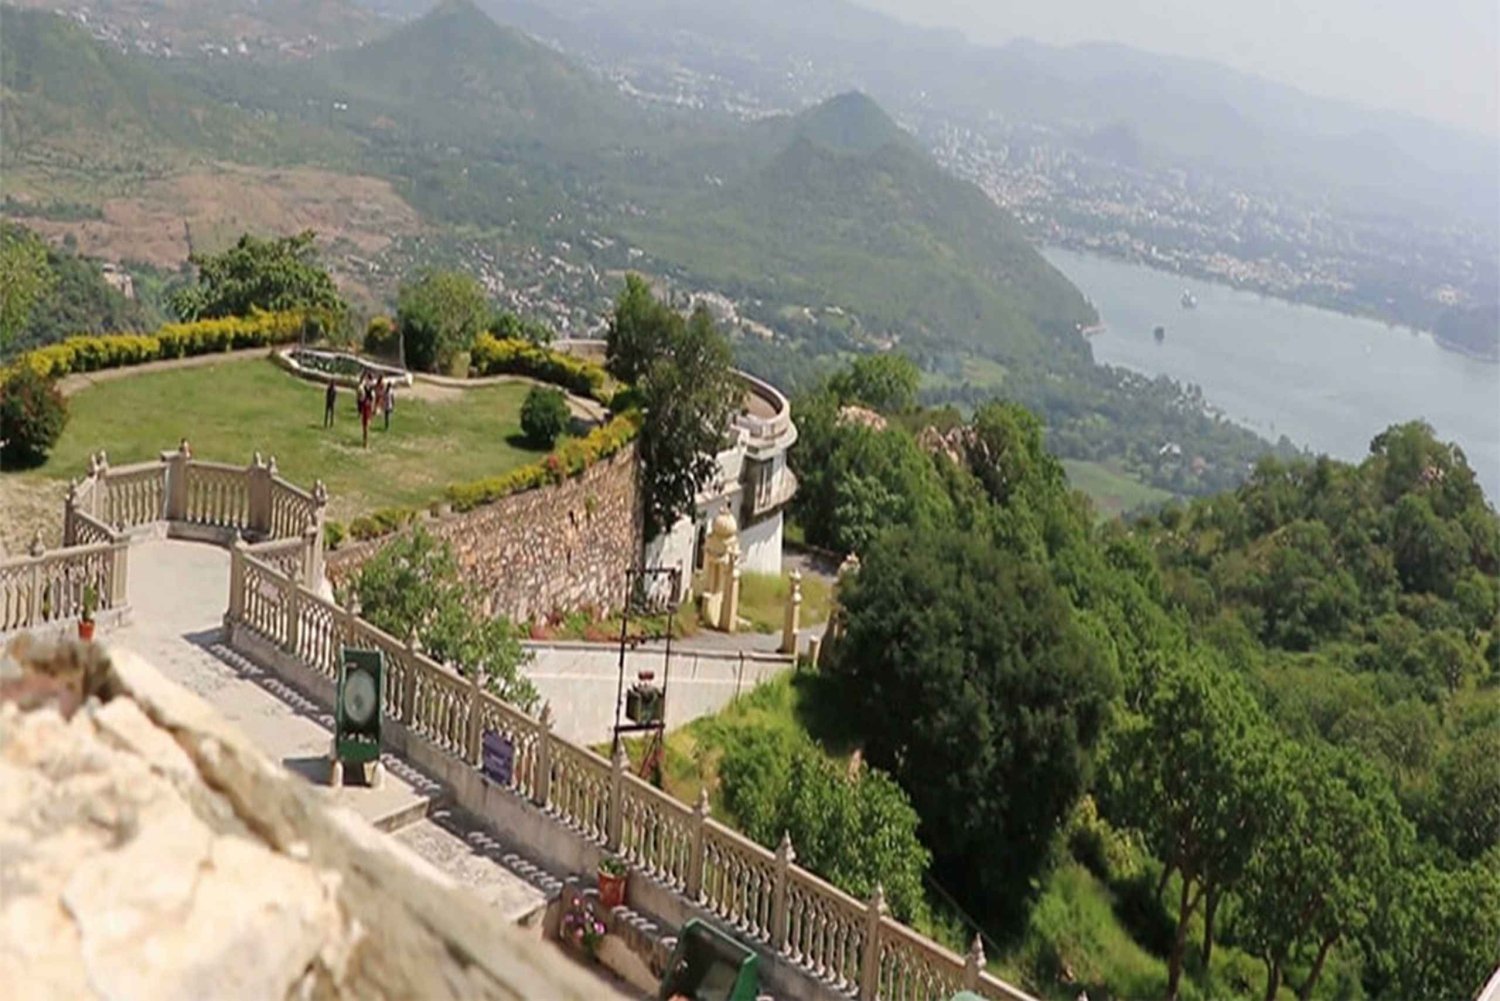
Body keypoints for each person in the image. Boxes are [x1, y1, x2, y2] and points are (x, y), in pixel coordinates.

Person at [358, 382, 372, 448]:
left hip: (366, 416)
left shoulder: (365, 401)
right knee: (365, 430)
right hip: (366, 416)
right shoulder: (367, 401)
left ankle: (365, 442)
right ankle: (365, 442)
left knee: (365, 430)